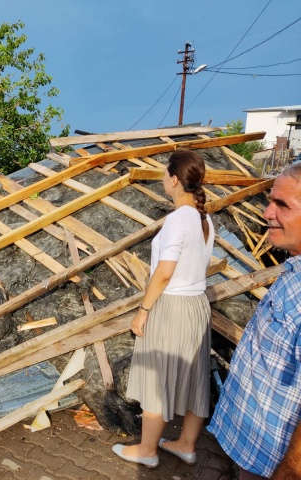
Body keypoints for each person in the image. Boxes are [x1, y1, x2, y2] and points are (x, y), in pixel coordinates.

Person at [112, 150, 215, 468]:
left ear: (173, 180)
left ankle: (147, 451)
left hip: (171, 305)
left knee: (157, 377)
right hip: (197, 304)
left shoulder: (176, 221)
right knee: (196, 376)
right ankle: (185, 444)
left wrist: (143, 309)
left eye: (163, 174)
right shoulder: (204, 218)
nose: (161, 179)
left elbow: (165, 272)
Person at [208, 162, 301, 480]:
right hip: (259, 449)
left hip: (278, 466)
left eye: (282, 205)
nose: (266, 213)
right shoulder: (294, 268)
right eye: (270, 200)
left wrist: (288, 472)